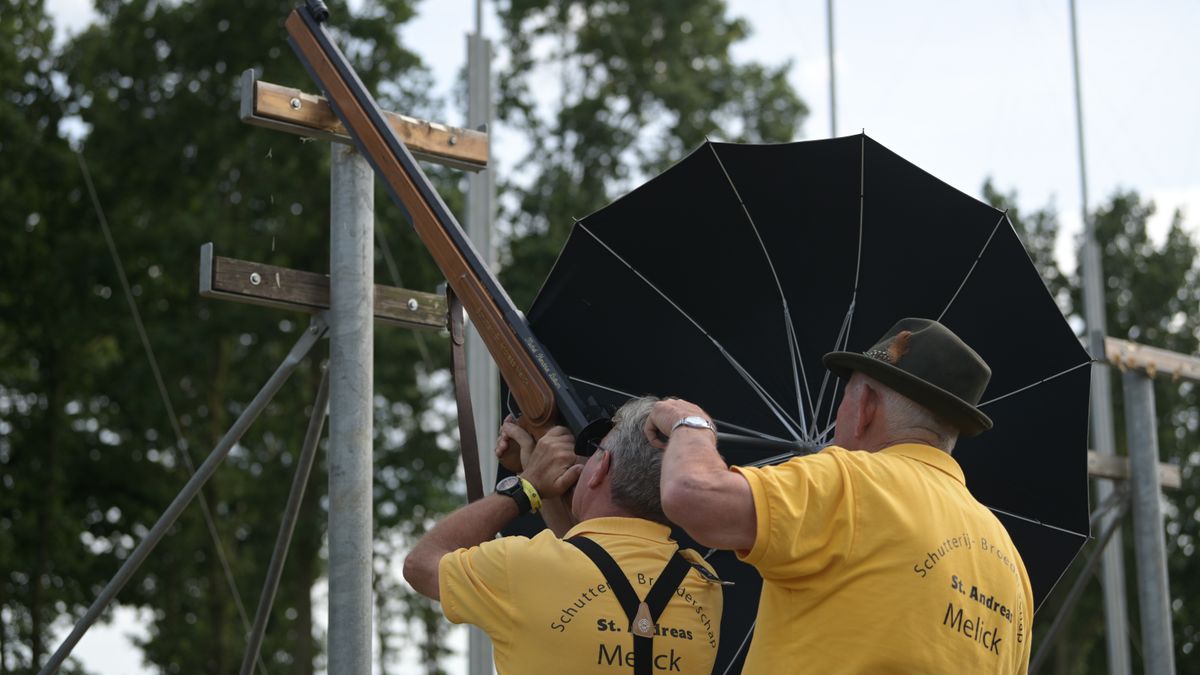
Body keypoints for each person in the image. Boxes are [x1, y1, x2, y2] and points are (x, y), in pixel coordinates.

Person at [650, 318, 1034, 673]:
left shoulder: (853, 481)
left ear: (865, 407)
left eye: (845, 398)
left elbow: (693, 493)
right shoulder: (1011, 565)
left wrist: (690, 423)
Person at [403, 396, 724, 674]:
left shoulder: (522, 569)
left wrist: (527, 485)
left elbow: (422, 564)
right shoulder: (703, 582)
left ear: (600, 468)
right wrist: (542, 484)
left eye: (595, 452)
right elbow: (591, 563)